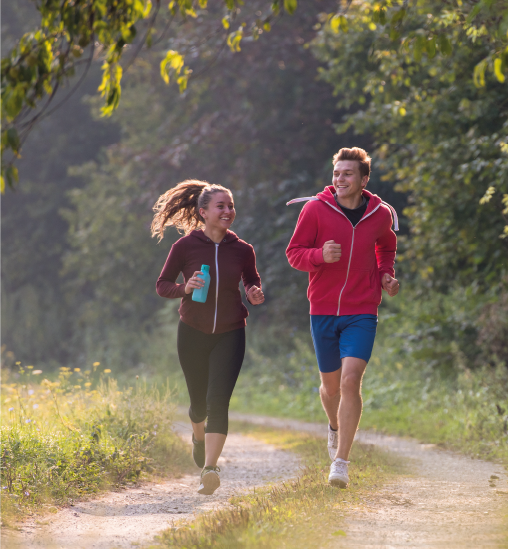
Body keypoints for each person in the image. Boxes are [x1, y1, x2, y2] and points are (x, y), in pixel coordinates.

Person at [286, 147, 399, 489]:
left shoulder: (379, 213)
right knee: (330, 387)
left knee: (351, 381)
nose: (340, 179)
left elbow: (386, 246)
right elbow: (294, 254)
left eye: (347, 174)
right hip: (322, 309)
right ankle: (334, 429)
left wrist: (386, 274)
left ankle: (341, 463)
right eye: (336, 173)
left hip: (362, 309)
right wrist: (320, 255)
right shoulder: (315, 210)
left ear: (364, 179)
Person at [153, 180, 264, 495]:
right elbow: (162, 285)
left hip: (231, 332)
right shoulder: (185, 247)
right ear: (203, 212)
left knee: (219, 401)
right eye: (221, 206)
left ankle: (210, 468)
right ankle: (197, 435)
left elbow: (252, 282)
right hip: (193, 332)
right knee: (199, 404)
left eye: (230, 205)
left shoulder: (243, 250)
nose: (228, 211)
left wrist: (254, 293)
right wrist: (184, 289)